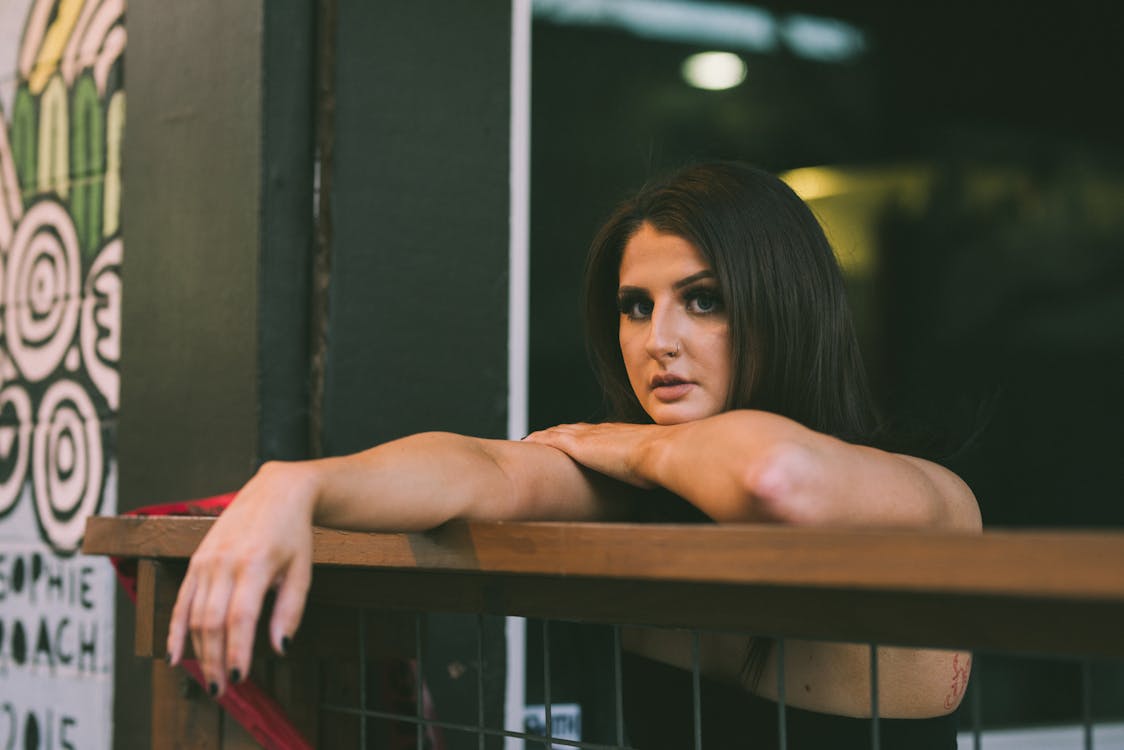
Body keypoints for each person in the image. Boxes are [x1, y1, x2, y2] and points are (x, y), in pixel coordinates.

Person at [167, 160, 981, 745]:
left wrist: (627, 447)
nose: (658, 342)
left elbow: (775, 476)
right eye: (635, 307)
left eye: (704, 301)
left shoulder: (924, 497)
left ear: (786, 308)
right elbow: (478, 470)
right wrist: (293, 487)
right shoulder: (636, 487)